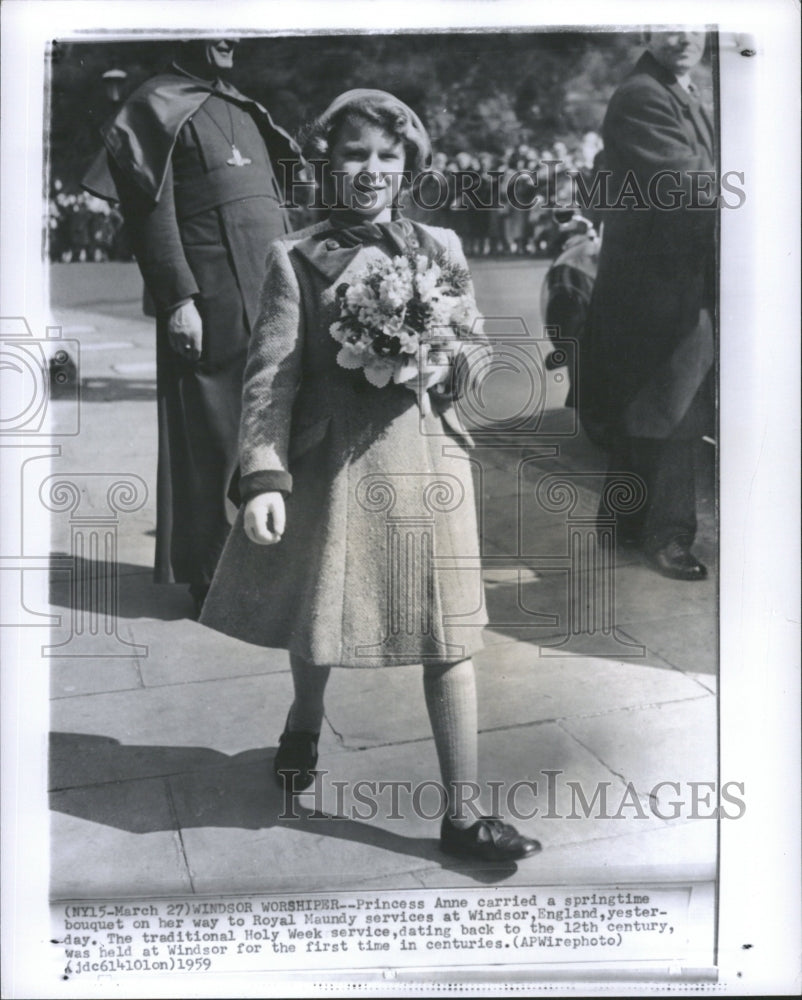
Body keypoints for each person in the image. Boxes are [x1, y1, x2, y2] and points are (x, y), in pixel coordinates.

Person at [200, 89, 540, 863]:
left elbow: (480, 349)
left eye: (388, 156)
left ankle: (463, 815)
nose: (371, 170)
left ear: (410, 164)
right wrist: (262, 476)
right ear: (328, 161)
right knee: (322, 617)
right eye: (354, 153)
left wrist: (453, 359)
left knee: (451, 632)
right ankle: (303, 727)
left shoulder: (442, 246)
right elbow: (271, 378)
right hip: (340, 466)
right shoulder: (295, 255)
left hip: (431, 458)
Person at [83, 39, 301, 615]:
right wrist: (179, 298)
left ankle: (274, 563)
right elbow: (150, 214)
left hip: (270, 287)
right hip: (211, 300)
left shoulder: (243, 105)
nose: (227, 37)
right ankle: (217, 577)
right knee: (214, 434)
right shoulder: (153, 104)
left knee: (272, 427)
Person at [579, 31, 716, 580]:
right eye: (666, 22)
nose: (682, 35)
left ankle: (623, 526)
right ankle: (669, 535)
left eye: (691, 21)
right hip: (662, 282)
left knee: (648, 405)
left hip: (652, 278)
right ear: (645, 32)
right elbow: (687, 183)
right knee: (678, 409)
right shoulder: (643, 94)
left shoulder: (675, 88)